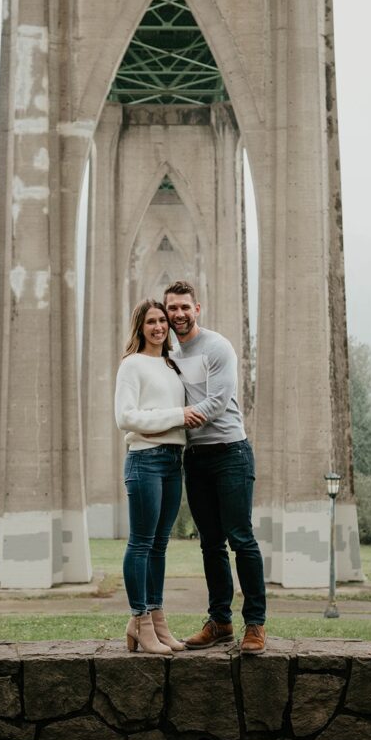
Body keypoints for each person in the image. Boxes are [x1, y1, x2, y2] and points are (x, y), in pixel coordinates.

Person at [163, 280, 267, 654]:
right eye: (172, 308)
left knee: (241, 538)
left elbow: (219, 402)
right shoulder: (169, 353)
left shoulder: (218, 347)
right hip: (196, 459)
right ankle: (220, 622)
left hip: (230, 453)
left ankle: (255, 624)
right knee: (210, 544)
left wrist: (173, 418)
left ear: (197, 308)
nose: (178, 314)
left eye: (184, 307)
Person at [115, 298, 206, 655]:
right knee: (140, 542)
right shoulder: (131, 365)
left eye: (162, 321)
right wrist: (174, 416)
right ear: (140, 327)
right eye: (151, 321)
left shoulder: (171, 366)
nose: (158, 327)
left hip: (172, 459)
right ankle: (139, 620)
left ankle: (156, 618)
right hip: (144, 460)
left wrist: (173, 420)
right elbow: (125, 417)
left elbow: (177, 416)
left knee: (160, 544)